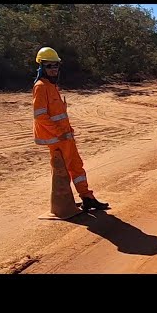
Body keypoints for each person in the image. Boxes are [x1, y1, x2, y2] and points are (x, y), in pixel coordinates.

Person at [32, 47, 109, 211]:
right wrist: (59, 133)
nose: (53, 69)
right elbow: (40, 116)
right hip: (57, 139)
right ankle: (62, 205)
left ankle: (87, 198)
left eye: (56, 66)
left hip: (66, 137)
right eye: (49, 66)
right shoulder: (41, 87)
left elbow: (58, 114)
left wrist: (68, 132)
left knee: (77, 167)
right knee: (62, 172)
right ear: (41, 67)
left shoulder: (52, 86)